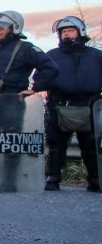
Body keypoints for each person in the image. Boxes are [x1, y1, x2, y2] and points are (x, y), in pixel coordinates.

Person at [0, 10, 58, 191]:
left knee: (9, 141)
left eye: (3, 26)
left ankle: (9, 179)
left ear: (15, 27)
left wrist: (34, 88)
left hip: (12, 101)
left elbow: (50, 68)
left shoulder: (26, 48)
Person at [44, 16, 102, 192]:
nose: (66, 34)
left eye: (70, 30)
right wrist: (35, 89)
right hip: (60, 104)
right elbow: (42, 76)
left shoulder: (96, 55)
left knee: (91, 146)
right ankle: (53, 178)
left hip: (89, 104)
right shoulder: (52, 55)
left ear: (80, 32)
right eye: (63, 32)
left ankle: (95, 180)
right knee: (56, 144)